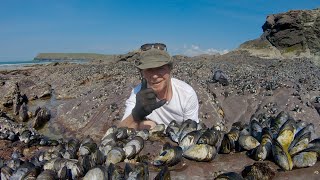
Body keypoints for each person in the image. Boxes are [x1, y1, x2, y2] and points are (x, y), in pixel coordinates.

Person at [119, 43, 199, 130]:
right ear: (141, 73)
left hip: (178, 138)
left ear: (170, 69)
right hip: (151, 139)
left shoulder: (186, 94)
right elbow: (120, 130)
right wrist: (136, 114)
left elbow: (192, 130)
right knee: (147, 124)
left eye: (160, 68)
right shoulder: (137, 94)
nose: (154, 76)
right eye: (149, 69)